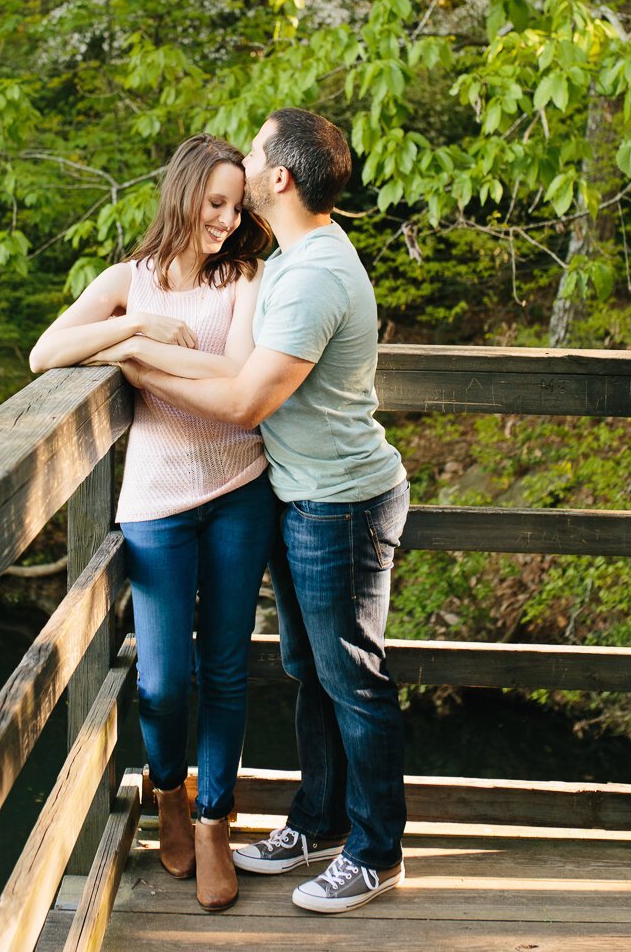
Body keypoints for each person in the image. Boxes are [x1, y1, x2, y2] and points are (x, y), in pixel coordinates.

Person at [114, 108, 409, 915]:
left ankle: (376, 852)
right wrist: (137, 337)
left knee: (352, 678)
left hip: (340, 500)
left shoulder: (311, 274)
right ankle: (315, 821)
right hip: (299, 492)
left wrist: (136, 360)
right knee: (310, 671)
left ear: (277, 177)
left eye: (254, 151)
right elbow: (234, 365)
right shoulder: (287, 258)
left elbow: (244, 400)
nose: (242, 159)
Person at [28, 134, 278, 912]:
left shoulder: (247, 277)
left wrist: (142, 363)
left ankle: (213, 820)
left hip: (241, 486)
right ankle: (168, 788)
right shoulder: (126, 281)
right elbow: (45, 353)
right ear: (183, 195)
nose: (227, 220)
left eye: (237, 208)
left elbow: (240, 373)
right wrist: (131, 334)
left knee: (227, 670)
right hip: (157, 502)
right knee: (165, 682)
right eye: (215, 204)